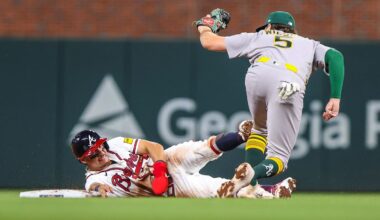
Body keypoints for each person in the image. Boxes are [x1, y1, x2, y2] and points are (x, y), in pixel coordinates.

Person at [195, 10, 344, 188]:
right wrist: (335, 97)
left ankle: (249, 188)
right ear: (293, 31)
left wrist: (204, 26)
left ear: (270, 26)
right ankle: (251, 175)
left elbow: (209, 43)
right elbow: (335, 57)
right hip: (288, 82)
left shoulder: (259, 36)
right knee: (279, 157)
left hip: (257, 76)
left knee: (259, 129)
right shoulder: (308, 44)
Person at [70, 120, 295, 198]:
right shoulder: (94, 179)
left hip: (167, 162)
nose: (100, 153)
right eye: (93, 154)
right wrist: (98, 189)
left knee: (200, 149)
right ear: (83, 160)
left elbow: (152, 146)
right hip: (173, 188)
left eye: (100, 147)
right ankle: (270, 192)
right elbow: (95, 187)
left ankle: (240, 136)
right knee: (218, 190)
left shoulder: (115, 144)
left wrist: (159, 168)